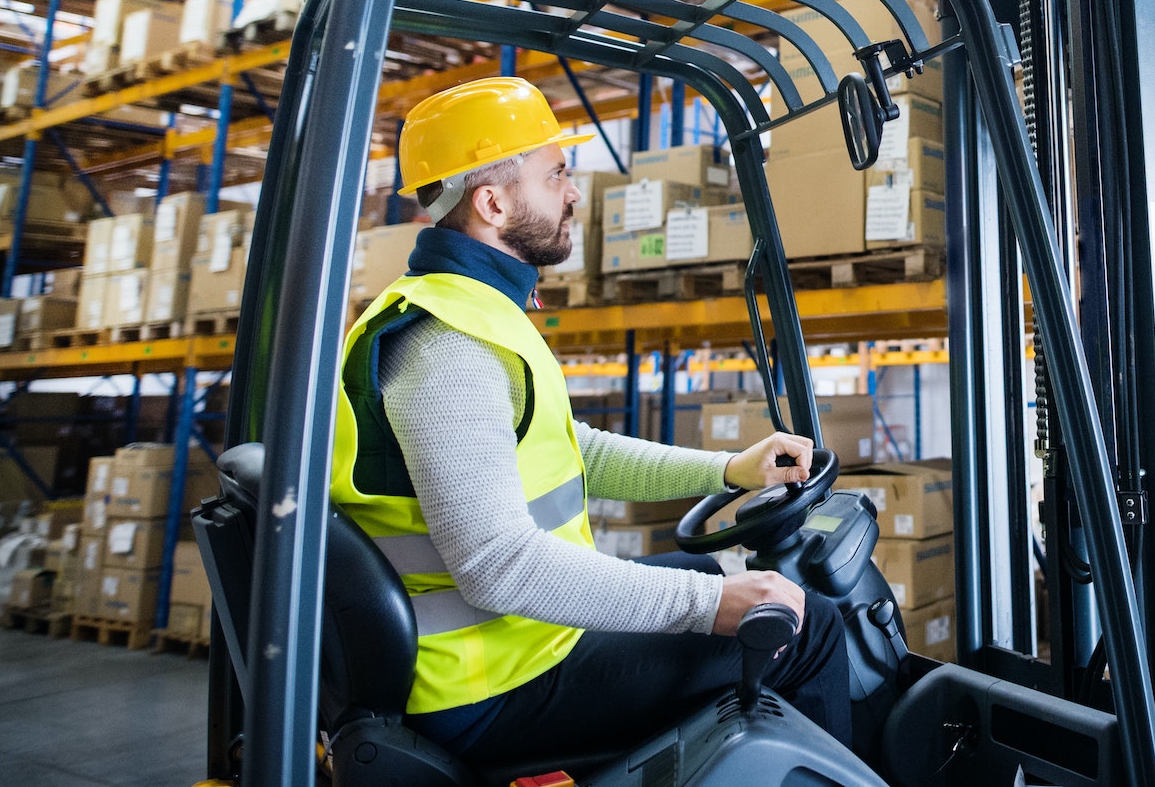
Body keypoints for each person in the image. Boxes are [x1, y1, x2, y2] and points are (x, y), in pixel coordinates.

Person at [329, 76, 849, 771]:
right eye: (557, 176)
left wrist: (727, 469)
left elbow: (575, 449)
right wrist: (711, 602)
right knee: (811, 629)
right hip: (486, 686)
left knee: (703, 565)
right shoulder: (448, 346)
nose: (574, 193)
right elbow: (498, 567)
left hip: (518, 646)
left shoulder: (476, 313)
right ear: (493, 202)